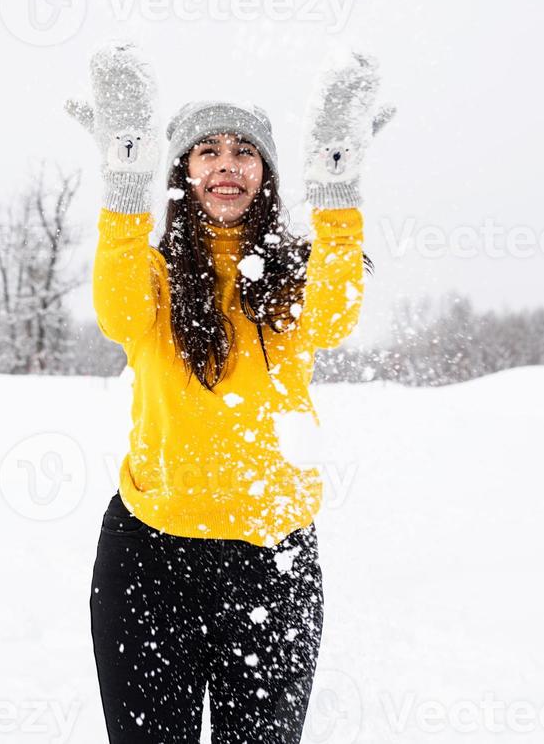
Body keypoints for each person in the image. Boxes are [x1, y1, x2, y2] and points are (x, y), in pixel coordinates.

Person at [65, 41, 395, 743]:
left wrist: (336, 193)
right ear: (182, 170)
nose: (225, 164)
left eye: (243, 151)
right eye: (206, 150)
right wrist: (124, 180)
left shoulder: (293, 277)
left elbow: (335, 318)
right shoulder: (151, 271)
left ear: (266, 174)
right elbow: (117, 315)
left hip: (271, 561)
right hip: (150, 560)